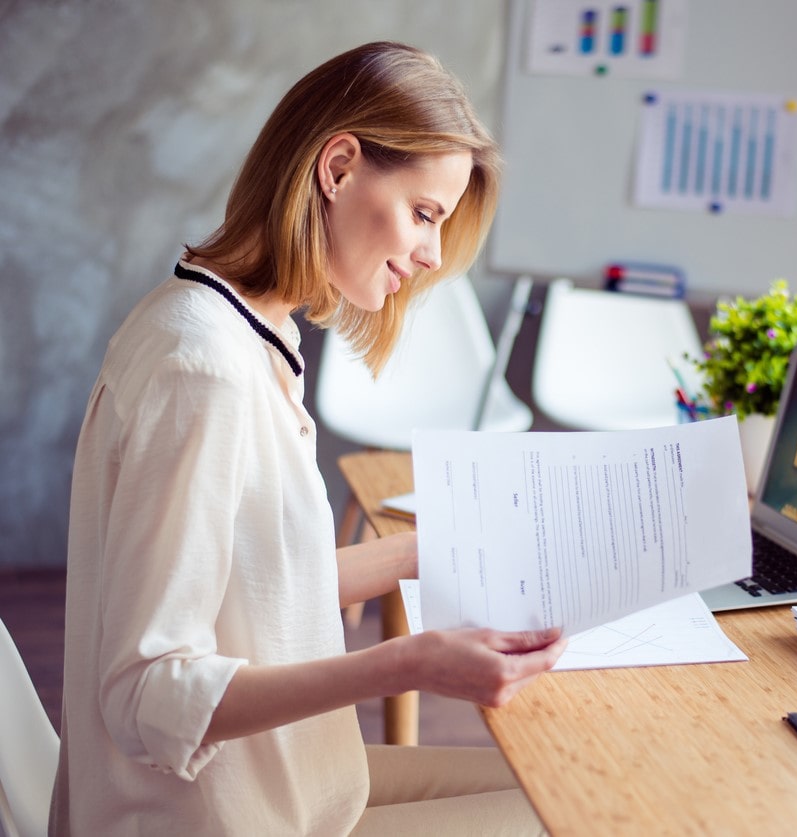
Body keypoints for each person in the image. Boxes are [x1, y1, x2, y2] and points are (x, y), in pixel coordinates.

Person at [52, 41, 566, 835]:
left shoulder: (235, 330)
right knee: (580, 813)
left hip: (298, 783)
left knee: (562, 785)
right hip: (223, 816)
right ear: (337, 167)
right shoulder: (206, 369)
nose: (432, 255)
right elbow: (145, 694)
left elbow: (257, 588)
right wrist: (407, 663)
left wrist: (422, 553)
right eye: (425, 213)